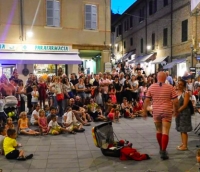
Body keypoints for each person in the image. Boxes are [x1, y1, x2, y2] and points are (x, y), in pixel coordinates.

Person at [143, 71, 179, 160]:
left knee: (158, 130)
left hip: (156, 111)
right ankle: (163, 151)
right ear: (165, 78)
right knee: (165, 131)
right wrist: (176, 110)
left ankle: (161, 148)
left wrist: (144, 111)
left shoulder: (151, 87)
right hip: (167, 110)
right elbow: (176, 101)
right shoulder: (170, 87)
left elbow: (146, 100)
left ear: (157, 78)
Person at [175, 79, 192, 151]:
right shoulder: (176, 93)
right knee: (181, 128)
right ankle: (183, 143)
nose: (179, 85)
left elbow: (185, 105)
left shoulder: (186, 93)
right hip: (179, 113)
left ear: (184, 86)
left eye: (181, 84)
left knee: (184, 129)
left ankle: (185, 145)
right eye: (178, 84)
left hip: (185, 113)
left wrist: (177, 111)